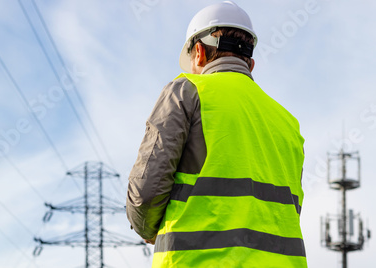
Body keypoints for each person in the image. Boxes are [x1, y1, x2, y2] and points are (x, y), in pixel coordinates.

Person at [126, 1, 307, 267]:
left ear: (198, 53)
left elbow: (146, 194)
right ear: (251, 64)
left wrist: (146, 228)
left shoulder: (185, 92)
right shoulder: (288, 123)